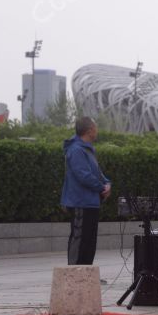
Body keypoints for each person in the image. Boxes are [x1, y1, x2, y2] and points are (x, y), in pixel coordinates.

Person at [61, 117, 111, 280]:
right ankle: (74, 273)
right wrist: (101, 188)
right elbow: (83, 175)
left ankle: (87, 275)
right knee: (79, 238)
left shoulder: (87, 149)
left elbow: (97, 173)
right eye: (95, 128)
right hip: (80, 201)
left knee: (89, 240)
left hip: (91, 202)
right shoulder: (76, 150)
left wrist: (107, 183)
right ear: (89, 130)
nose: (97, 130)